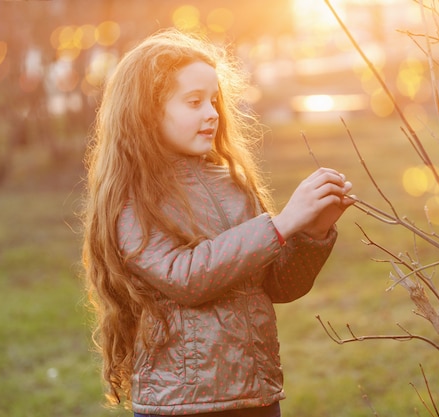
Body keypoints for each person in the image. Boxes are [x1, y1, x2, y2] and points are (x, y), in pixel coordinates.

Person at [82, 28, 354, 417]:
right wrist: (281, 224)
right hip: (183, 405)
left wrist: (312, 231)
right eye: (193, 102)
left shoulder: (231, 182)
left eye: (213, 100)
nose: (211, 113)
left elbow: (278, 283)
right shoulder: (132, 198)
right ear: (145, 111)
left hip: (256, 394)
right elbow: (185, 277)